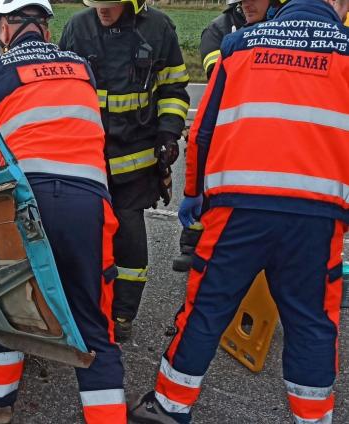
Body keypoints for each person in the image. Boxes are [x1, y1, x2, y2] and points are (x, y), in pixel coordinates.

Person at [127, 0, 349, 422]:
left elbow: (204, 132)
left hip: (237, 209)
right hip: (318, 218)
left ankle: (169, 407)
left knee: (207, 308)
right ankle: (314, 418)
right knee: (313, 322)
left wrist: (194, 194)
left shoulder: (240, 44)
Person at [0, 0, 125, 422]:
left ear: (3, 27)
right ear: (46, 29)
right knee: (93, 325)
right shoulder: (82, 69)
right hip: (86, 202)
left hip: (24, 202)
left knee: (10, 307)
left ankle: (1, 411)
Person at [58, 0, 190, 342]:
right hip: (86, 155)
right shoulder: (77, 27)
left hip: (136, 156)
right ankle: (82, 307)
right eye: (98, 3)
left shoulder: (158, 29)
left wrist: (168, 133)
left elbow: (174, 89)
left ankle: (124, 312)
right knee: (83, 234)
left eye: (111, 3)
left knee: (128, 234)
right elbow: (59, 85)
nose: (103, 9)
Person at [173, 0, 269, 272]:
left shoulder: (279, 25)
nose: (248, 6)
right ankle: (192, 244)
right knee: (207, 185)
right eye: (242, 2)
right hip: (226, 124)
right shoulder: (219, 30)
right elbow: (223, 77)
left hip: (263, 127)